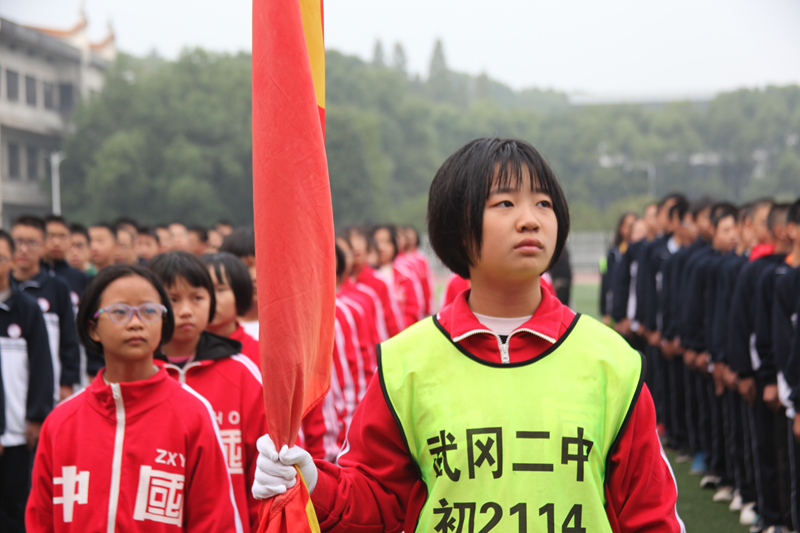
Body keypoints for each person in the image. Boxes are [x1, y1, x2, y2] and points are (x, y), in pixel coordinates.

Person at [252, 137, 682, 532]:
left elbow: (649, 512)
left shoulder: (610, 360)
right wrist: (309, 481)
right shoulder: (407, 363)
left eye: (544, 203)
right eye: (505, 204)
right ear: (458, 226)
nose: (530, 220)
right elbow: (376, 503)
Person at [25, 263, 243, 532]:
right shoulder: (61, 421)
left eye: (149, 311)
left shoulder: (193, 413)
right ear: (93, 328)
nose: (136, 323)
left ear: (163, 324)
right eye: (120, 312)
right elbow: (41, 519)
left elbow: (214, 519)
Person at [149, 252, 266, 532]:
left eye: (197, 298)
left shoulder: (243, 374)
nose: (186, 310)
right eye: (173, 299)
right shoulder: (139, 375)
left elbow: (264, 467)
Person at [0, 229, 54, 533]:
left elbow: (42, 366)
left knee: (16, 510)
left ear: (11, 261)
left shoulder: (27, 309)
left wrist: (36, 416)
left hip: (18, 431)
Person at [10, 216, 81, 403]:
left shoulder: (57, 287)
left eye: (32, 242)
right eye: (18, 242)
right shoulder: (5, 288)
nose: (24, 249)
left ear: (43, 246)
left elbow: (69, 337)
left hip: (50, 384)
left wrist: (67, 381)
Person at [201, 252, 259, 368]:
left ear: (241, 292)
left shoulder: (258, 354)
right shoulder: (179, 352)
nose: (210, 299)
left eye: (220, 289)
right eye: (200, 292)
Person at [372, 224, 421, 328]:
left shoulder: (405, 277)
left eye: (387, 242)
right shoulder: (363, 279)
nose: (381, 247)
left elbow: (413, 312)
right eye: (377, 242)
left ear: (395, 245)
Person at [220, 229, 259, 339]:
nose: (255, 277)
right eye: (245, 266)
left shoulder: (285, 326)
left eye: (262, 266)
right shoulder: (212, 328)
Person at [43, 215, 90, 298]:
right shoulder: (31, 275)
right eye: (50, 236)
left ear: (70, 241)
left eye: (62, 236)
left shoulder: (80, 278)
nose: (56, 242)